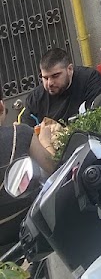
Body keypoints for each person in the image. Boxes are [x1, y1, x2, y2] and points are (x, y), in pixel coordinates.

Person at [0, 97, 57, 246]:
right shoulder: (19, 133)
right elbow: (54, 169)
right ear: (1, 107)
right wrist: (45, 140)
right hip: (30, 234)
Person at [18, 48, 101, 127]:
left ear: (70, 69)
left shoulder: (90, 80)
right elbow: (26, 130)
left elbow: (98, 117)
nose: (50, 83)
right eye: (45, 78)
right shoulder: (35, 97)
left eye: (55, 76)